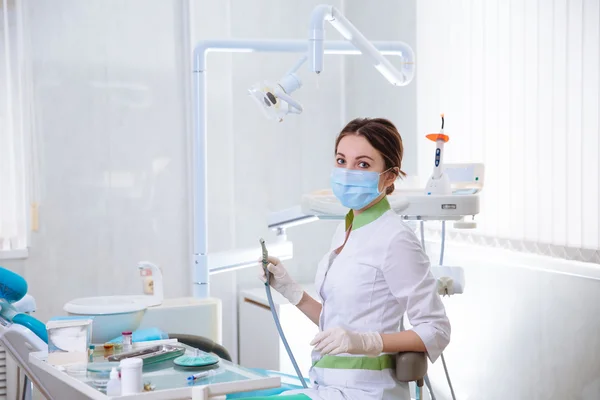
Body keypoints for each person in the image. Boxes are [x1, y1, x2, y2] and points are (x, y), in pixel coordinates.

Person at [259, 118, 451, 400]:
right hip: (325, 384)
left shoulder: (395, 238)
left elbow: (436, 330)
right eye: (341, 160)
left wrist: (368, 342)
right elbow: (340, 325)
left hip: (367, 391)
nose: (348, 172)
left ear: (389, 176)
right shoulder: (345, 229)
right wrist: (290, 290)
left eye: (363, 164)